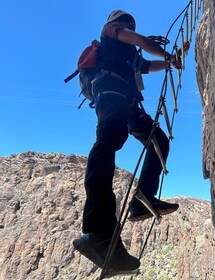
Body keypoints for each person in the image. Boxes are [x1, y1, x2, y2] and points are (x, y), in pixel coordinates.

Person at [73, 10, 187, 276]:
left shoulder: (129, 55)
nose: (129, 26)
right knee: (110, 139)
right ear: (115, 24)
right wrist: (168, 55)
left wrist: (170, 62)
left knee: (158, 140)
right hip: (110, 91)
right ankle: (97, 229)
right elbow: (143, 41)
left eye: (130, 23)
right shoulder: (111, 34)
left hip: (127, 101)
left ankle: (142, 198)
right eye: (126, 23)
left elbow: (146, 65)